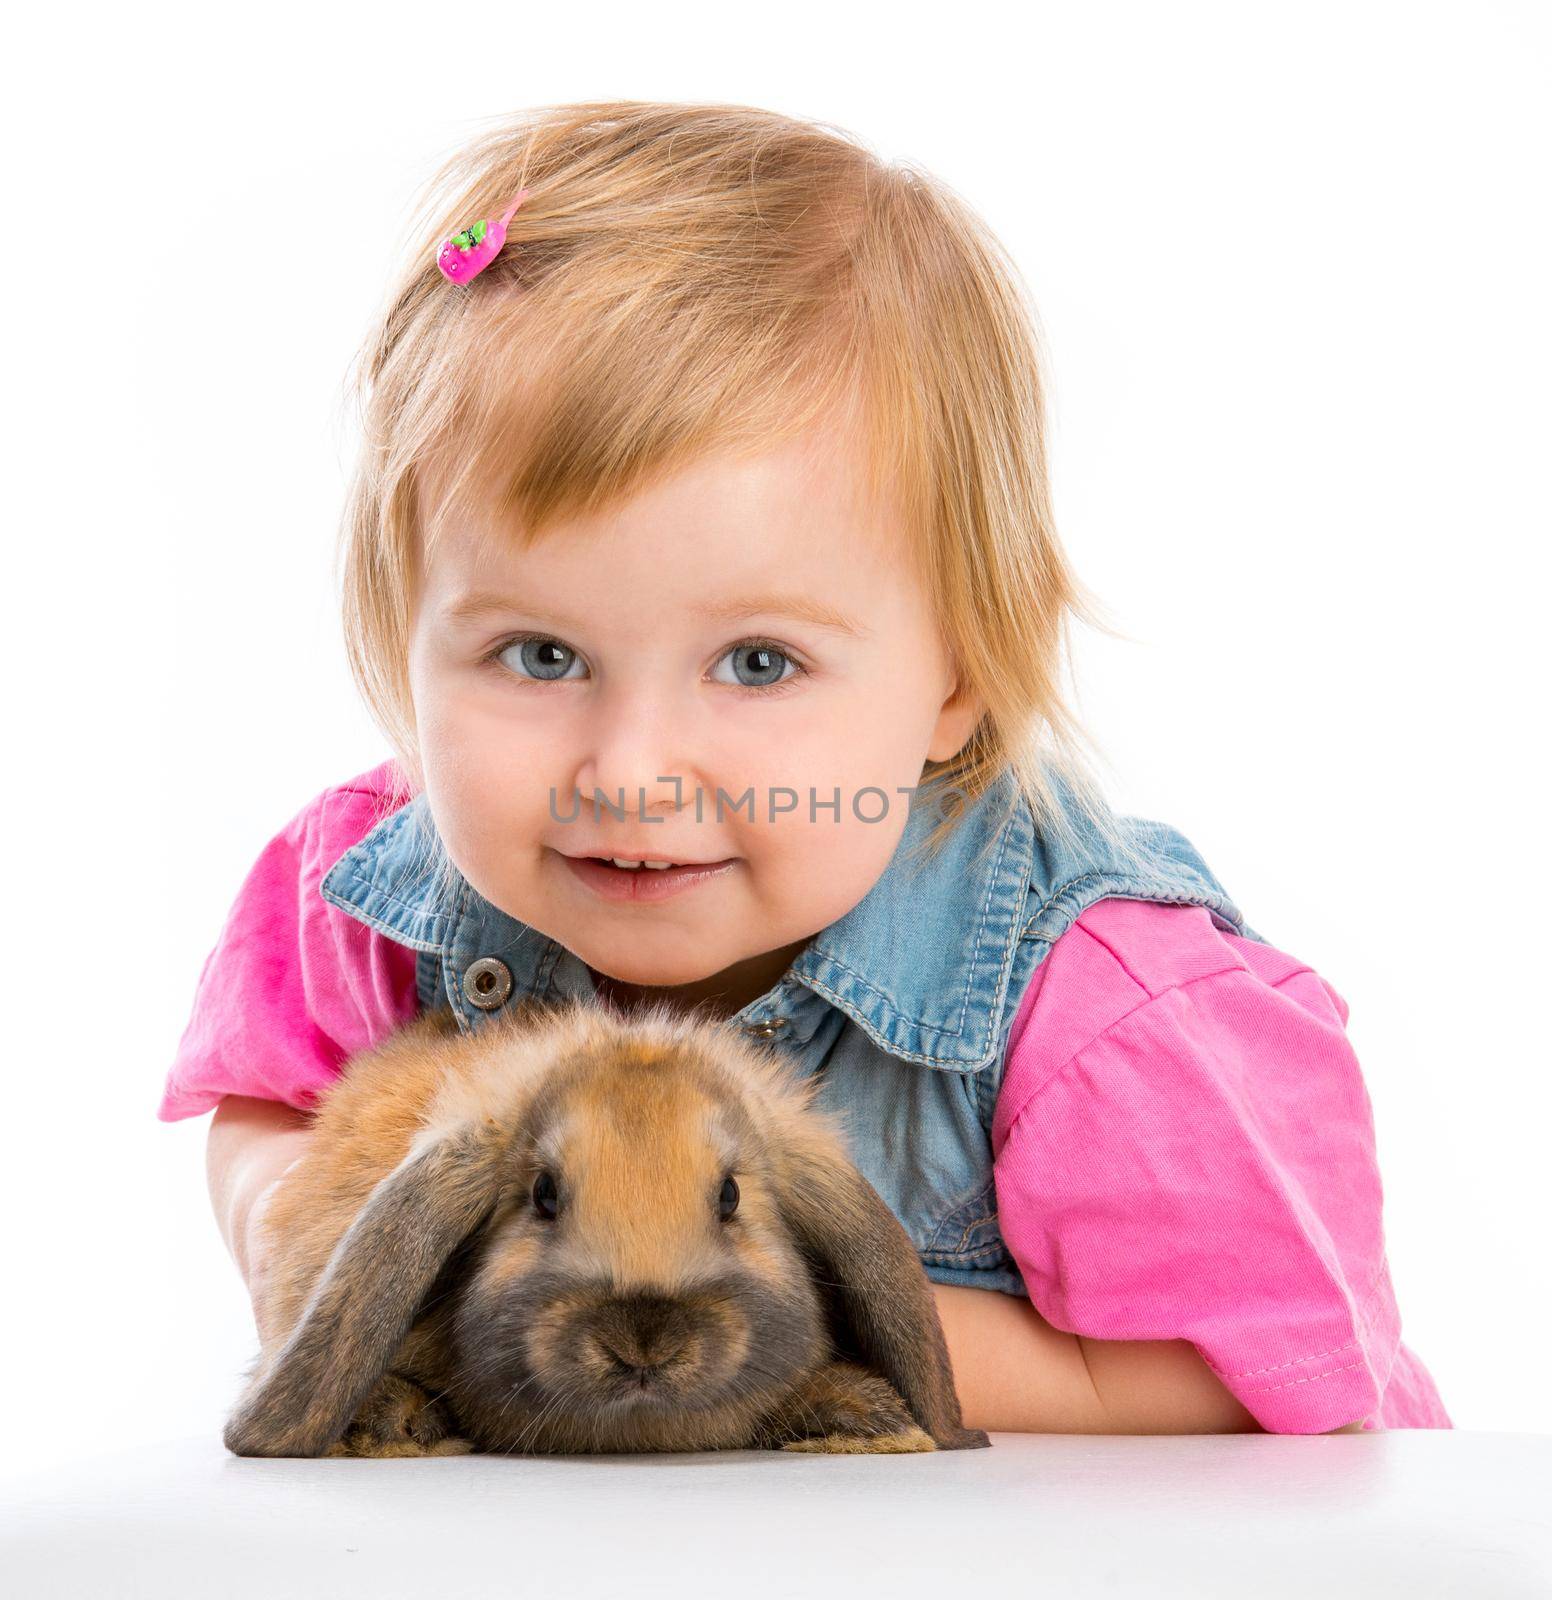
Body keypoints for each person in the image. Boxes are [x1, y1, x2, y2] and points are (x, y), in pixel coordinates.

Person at [164, 99, 1450, 1438]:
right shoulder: (365, 895)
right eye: (540, 656)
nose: (636, 775)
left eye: (758, 664)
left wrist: (755, 1319)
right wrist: (292, 1241)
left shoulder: (1114, 1019)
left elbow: (1254, 1389)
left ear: (956, 676)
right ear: (403, 646)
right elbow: (266, 1109)